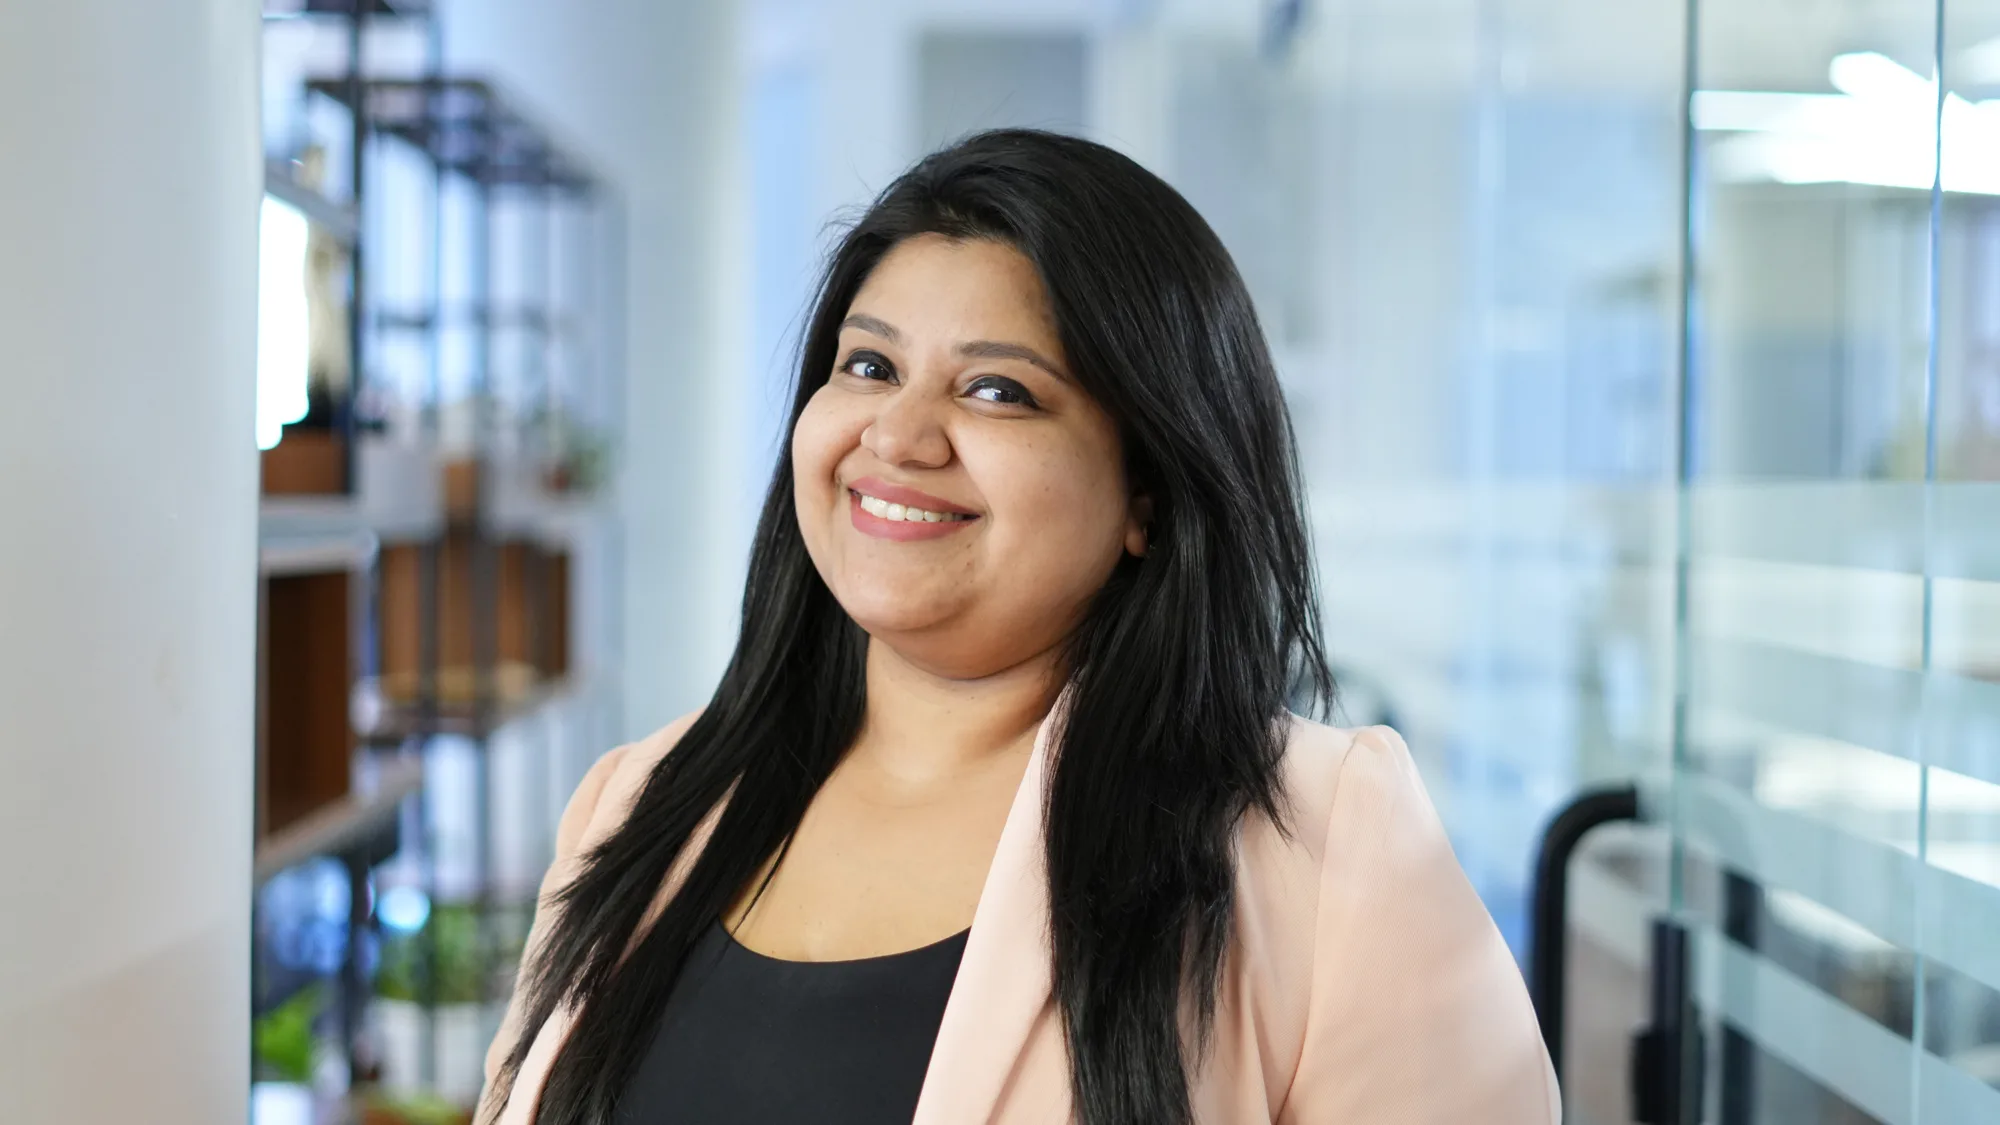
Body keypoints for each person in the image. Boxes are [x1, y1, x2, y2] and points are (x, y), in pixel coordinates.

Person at [477, 128, 1556, 1125]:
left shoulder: (1320, 843)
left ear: (1146, 492)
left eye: (996, 390)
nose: (898, 436)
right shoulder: (637, 801)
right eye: (869, 366)